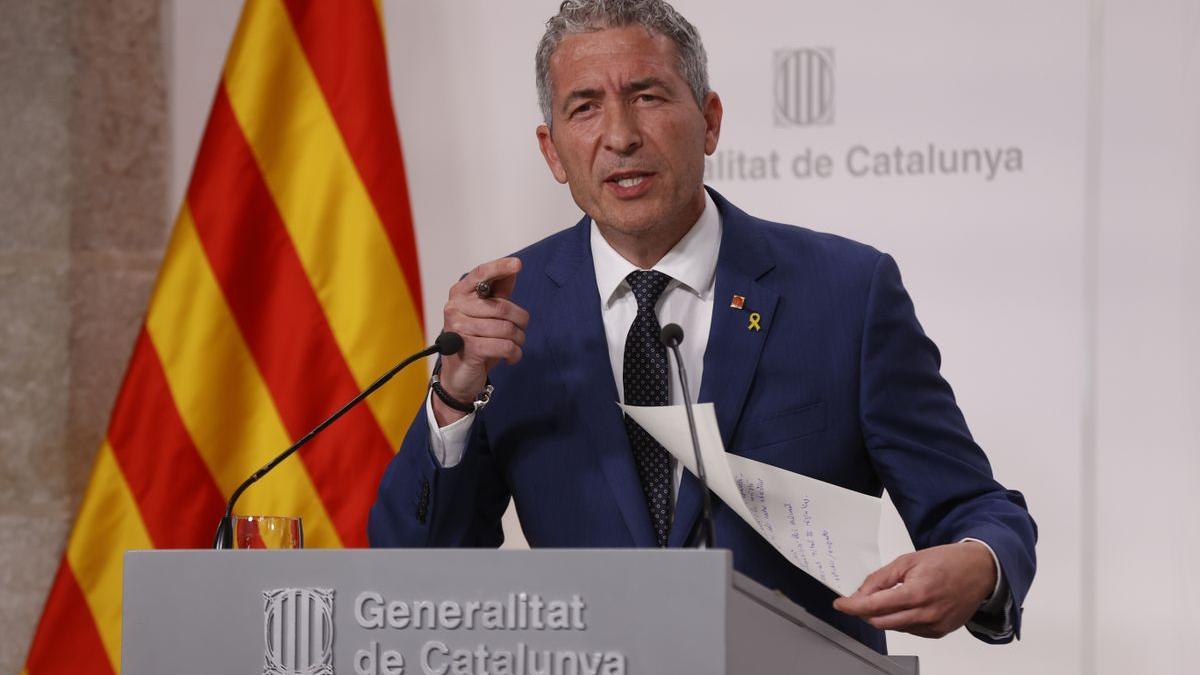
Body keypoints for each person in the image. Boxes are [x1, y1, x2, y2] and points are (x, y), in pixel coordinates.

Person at [369, 0, 1036, 653]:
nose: (621, 134)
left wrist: (980, 567)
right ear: (552, 151)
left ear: (709, 121)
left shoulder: (845, 294)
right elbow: (417, 575)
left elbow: (977, 507)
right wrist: (453, 399)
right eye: (584, 106)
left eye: (649, 96)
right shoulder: (510, 313)